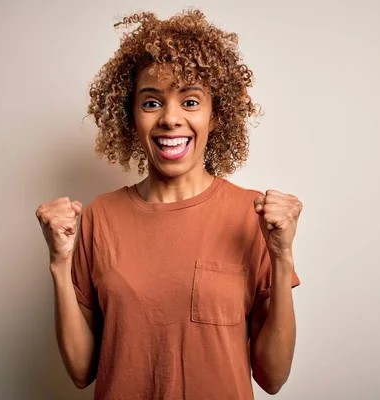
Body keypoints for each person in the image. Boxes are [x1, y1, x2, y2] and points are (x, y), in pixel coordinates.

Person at [35, 9, 303, 399]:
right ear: (132, 117)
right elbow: (80, 371)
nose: (171, 119)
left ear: (216, 116)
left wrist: (282, 257)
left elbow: (273, 377)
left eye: (191, 102)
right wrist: (60, 264)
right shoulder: (100, 217)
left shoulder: (254, 216)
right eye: (151, 103)